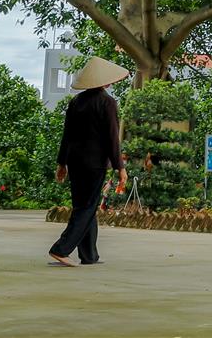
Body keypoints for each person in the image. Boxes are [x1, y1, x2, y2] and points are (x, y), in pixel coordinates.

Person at [48, 56, 129, 266]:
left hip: (75, 162)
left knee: (84, 206)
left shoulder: (76, 102)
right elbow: (112, 138)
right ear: (104, 81)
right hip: (95, 163)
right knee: (87, 207)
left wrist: (62, 163)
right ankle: (61, 248)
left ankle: (89, 255)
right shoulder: (107, 103)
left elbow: (67, 135)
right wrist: (120, 167)